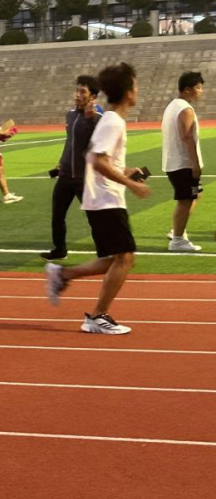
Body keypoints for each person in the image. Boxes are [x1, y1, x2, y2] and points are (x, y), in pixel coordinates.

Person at [46, 62, 151, 335]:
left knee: (113, 259)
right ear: (128, 92)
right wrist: (130, 183)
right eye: (135, 86)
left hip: (101, 198)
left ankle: (62, 274)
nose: (137, 90)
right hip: (106, 199)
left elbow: (101, 160)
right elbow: (96, 160)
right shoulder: (113, 121)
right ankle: (97, 316)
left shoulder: (110, 120)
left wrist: (127, 171)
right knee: (125, 258)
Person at [42, 76, 101, 260]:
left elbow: (99, 147)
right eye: (77, 91)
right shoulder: (70, 114)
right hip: (66, 174)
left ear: (93, 97)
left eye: (82, 92)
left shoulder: (99, 118)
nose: (77, 95)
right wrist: (62, 162)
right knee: (57, 215)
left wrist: (91, 120)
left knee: (94, 218)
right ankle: (59, 249)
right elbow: (70, 142)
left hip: (85, 177)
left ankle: (104, 251)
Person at [162, 71, 205, 252]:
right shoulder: (185, 109)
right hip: (183, 163)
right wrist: (195, 164)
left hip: (175, 162)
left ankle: (176, 231)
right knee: (185, 200)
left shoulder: (173, 106)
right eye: (198, 88)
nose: (201, 91)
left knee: (195, 194)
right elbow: (187, 137)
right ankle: (177, 240)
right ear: (187, 90)